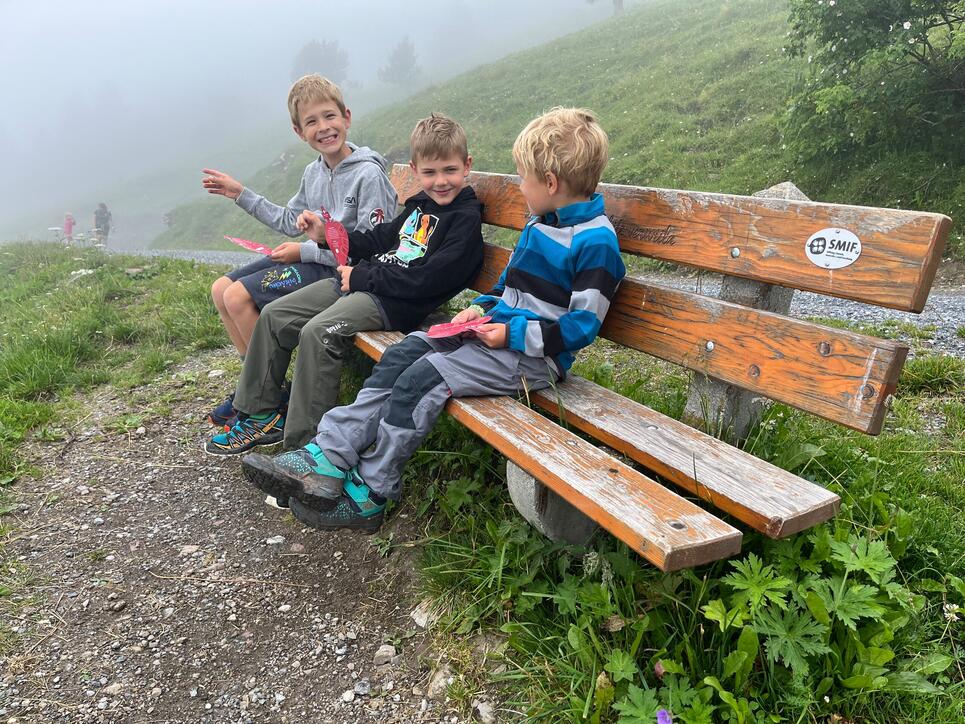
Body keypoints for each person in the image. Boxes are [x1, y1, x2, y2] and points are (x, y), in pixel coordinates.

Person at [241, 107, 626, 532]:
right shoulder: (542, 221)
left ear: (550, 183)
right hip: (490, 333)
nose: (521, 186)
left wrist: (511, 332)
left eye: (523, 178)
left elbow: (581, 328)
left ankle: (373, 488)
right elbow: (508, 285)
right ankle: (329, 455)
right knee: (403, 354)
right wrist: (481, 307)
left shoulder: (594, 242)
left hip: (531, 358)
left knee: (420, 379)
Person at [204, 113, 484, 467]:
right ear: (416, 170)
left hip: (392, 302)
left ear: (466, 166)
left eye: (449, 171)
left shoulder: (465, 221)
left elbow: (428, 281)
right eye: (430, 173)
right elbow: (379, 239)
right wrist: (327, 235)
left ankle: (306, 451)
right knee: (275, 315)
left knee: (318, 333)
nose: (440, 181)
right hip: (362, 282)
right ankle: (260, 413)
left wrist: (362, 279)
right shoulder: (420, 206)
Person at [202, 74, 398, 428]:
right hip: (310, 257)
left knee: (237, 298)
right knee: (220, 289)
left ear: (346, 117)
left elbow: (371, 250)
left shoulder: (368, 176)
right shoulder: (314, 172)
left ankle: (270, 399)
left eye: (329, 116)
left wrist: (305, 251)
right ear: (299, 131)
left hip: (333, 271)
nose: (323, 128)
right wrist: (240, 193)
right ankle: (259, 387)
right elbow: (291, 219)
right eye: (311, 122)